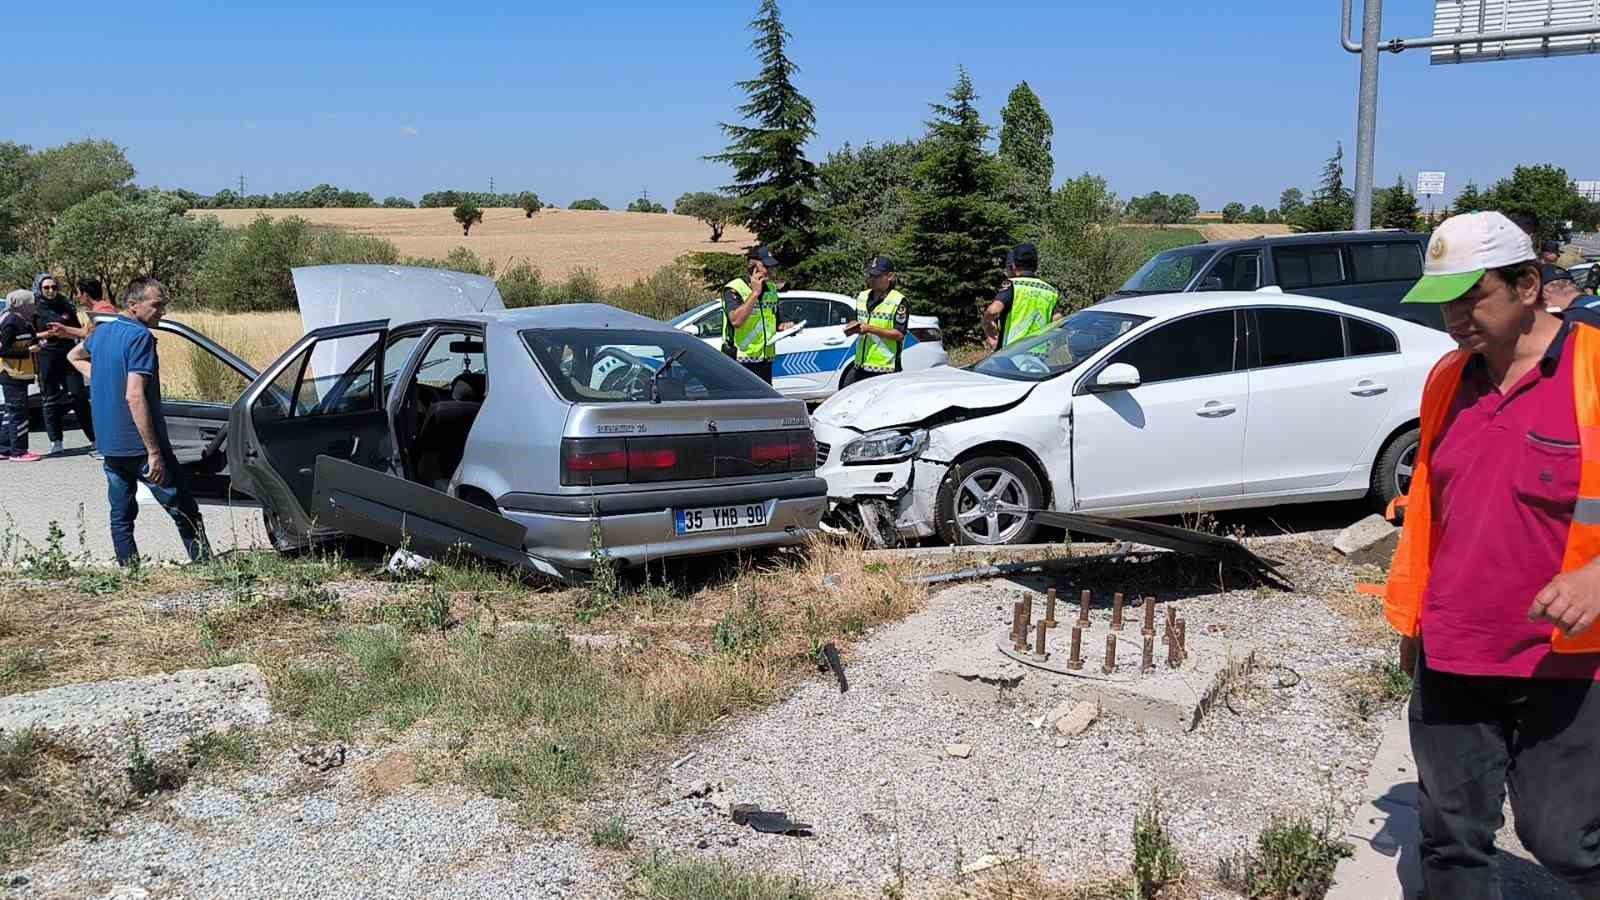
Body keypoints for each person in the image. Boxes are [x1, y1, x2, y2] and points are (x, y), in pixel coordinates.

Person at [1385, 210, 1600, 899]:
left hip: (1567, 662)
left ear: (1529, 284)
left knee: (1562, 838)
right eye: (1444, 301)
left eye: (1471, 297)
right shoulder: (1449, 379)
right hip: (1454, 650)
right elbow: (1432, 513)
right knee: (1450, 839)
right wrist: (1414, 621)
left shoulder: (1593, 372)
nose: (1454, 317)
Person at [67, 278, 210, 566]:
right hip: (139, 448)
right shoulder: (140, 337)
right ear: (133, 305)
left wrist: (104, 377)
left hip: (109, 446)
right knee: (184, 511)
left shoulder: (104, 332)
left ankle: (130, 572)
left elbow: (74, 355)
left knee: (121, 516)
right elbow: (135, 396)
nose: (163, 312)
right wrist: (154, 452)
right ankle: (206, 569)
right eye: (157, 305)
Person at [31, 273, 95, 453]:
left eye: (54, 287)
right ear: (39, 289)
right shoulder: (34, 309)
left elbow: (79, 331)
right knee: (50, 400)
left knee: (79, 397)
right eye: (46, 288)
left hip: (68, 356)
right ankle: (56, 441)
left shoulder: (66, 305)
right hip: (47, 357)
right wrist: (47, 335)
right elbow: (30, 336)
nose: (51, 291)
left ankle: (94, 439)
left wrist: (69, 333)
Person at [842, 256, 909, 388]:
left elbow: (899, 334)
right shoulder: (862, 296)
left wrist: (870, 329)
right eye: (871, 275)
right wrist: (852, 326)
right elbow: (858, 319)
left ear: (890, 276)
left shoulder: (898, 301)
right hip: (860, 364)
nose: (872, 279)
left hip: (885, 369)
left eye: (877, 276)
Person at [721, 246, 785, 384]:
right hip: (739, 360)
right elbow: (736, 321)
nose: (770, 270)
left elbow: (775, 323)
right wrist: (755, 293)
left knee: (765, 404)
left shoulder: (771, 289)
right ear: (753, 267)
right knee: (743, 404)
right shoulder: (734, 288)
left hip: (766, 359)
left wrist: (786, 327)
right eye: (766, 266)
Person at [983, 243, 1061, 350]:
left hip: (1012, 354)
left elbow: (993, 311)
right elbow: (1058, 320)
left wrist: (987, 326)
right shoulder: (1050, 290)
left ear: (1013, 265)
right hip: (1040, 356)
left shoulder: (1013, 285)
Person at [0, 289, 42, 462]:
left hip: (22, 374)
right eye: (31, 303)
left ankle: (3, 448)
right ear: (20, 305)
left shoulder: (25, 322)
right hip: (11, 374)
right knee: (18, 413)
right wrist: (28, 351)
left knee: (12, 412)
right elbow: (3, 351)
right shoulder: (10, 322)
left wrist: (37, 342)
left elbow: (30, 339)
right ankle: (19, 451)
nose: (34, 306)